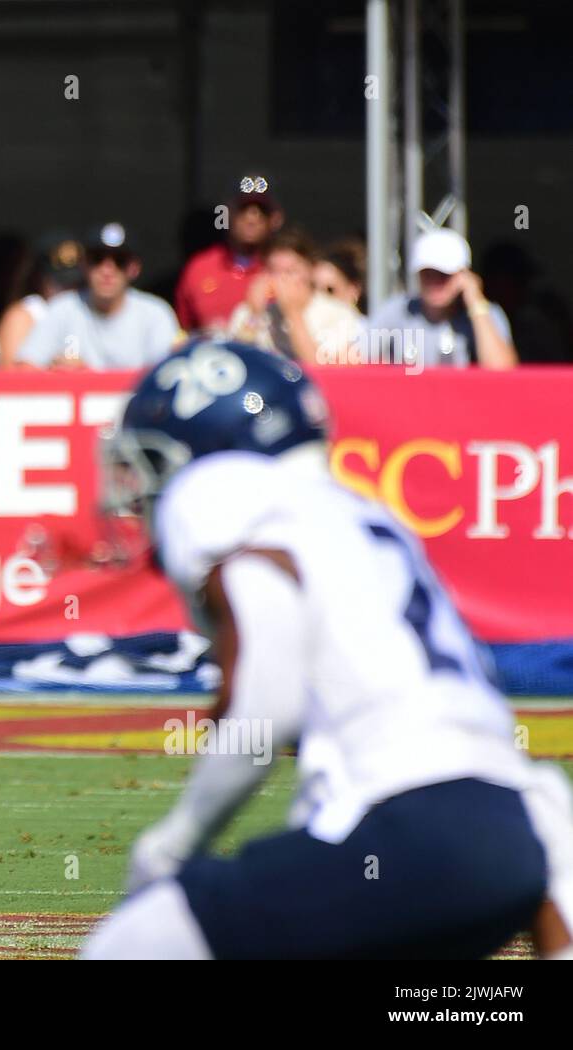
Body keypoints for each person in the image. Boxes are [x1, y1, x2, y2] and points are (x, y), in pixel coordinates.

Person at [84, 340, 573, 959]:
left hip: (401, 828)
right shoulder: (360, 514)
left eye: (157, 463)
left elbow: (269, 699)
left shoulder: (222, 490)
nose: (146, 492)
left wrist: (174, 843)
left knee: (133, 942)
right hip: (518, 829)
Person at [16, 223, 180, 369]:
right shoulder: (62, 308)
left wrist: (89, 377)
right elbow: (25, 368)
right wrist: (55, 376)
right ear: (84, 264)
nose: (107, 270)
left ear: (134, 268)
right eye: (97, 258)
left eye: (119, 260)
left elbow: (165, 378)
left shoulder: (155, 313)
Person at [366, 227, 517, 369]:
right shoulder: (398, 309)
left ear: (463, 275)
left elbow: (502, 371)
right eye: (427, 274)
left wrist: (476, 302)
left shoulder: (487, 313)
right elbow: (354, 359)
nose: (435, 282)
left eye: (444, 274)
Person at [226, 226, 362, 363]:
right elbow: (236, 361)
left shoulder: (338, 314)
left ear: (311, 270)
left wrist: (293, 314)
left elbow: (320, 368)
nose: (282, 280)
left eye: (291, 271)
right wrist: (254, 314)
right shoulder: (251, 310)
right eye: (274, 271)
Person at [174, 177, 282, 333]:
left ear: (275, 219)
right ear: (226, 214)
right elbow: (183, 330)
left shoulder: (285, 269)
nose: (252, 218)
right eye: (242, 209)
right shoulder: (200, 268)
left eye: (261, 211)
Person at [0, 235, 83, 366]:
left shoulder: (87, 307)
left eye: (75, 283)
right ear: (39, 278)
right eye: (60, 283)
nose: (68, 290)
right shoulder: (25, 314)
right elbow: (11, 378)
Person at [312, 238, 366, 315]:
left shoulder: (364, 326)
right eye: (312, 288)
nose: (318, 298)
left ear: (354, 290)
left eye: (329, 290)